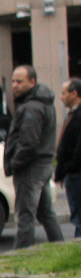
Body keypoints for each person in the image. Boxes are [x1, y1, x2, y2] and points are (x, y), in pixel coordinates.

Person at [4, 65, 64, 249]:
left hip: (30, 168)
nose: (15, 85)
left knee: (25, 216)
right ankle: (60, 248)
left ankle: (21, 256)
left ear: (32, 82)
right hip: (41, 166)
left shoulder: (32, 107)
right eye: (13, 81)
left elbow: (28, 143)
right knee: (46, 214)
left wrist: (15, 164)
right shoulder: (42, 103)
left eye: (19, 81)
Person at [56, 78, 81, 238]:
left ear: (74, 93)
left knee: (78, 214)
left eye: (64, 93)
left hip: (76, 173)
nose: (61, 97)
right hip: (72, 173)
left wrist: (70, 169)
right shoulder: (72, 114)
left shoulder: (78, 115)